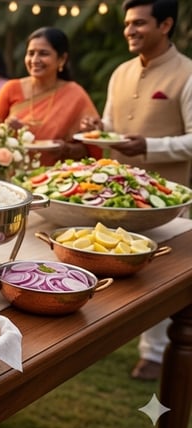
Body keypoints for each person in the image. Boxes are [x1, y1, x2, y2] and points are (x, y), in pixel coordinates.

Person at [80, 0, 191, 381]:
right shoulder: (120, 72)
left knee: (160, 271)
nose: (129, 30)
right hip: (116, 191)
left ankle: (156, 352)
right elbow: (111, 127)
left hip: (168, 197)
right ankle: (96, 337)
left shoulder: (188, 73)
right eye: (128, 23)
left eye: (139, 23)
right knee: (110, 258)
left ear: (165, 24)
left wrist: (149, 146)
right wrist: (97, 126)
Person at [0, 27, 99, 165]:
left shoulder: (75, 94)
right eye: (31, 53)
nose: (35, 60)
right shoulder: (11, 88)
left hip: (56, 179)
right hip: (13, 175)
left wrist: (66, 149)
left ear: (62, 59)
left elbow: (91, 148)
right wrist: (6, 129)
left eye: (43, 53)